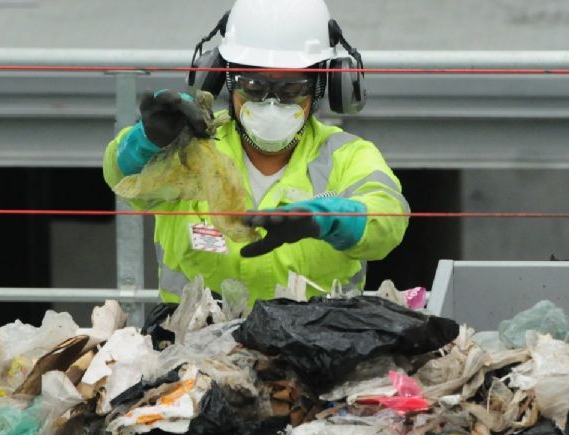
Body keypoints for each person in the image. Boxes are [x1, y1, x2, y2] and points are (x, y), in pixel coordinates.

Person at [103, 0, 409, 304]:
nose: (271, 104)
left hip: (317, 348)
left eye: (291, 90)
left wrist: (327, 219)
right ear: (224, 79)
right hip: (191, 346)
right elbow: (121, 177)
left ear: (322, 86)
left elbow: (389, 220)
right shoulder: (187, 153)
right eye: (253, 86)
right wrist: (147, 139)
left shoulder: (348, 155)